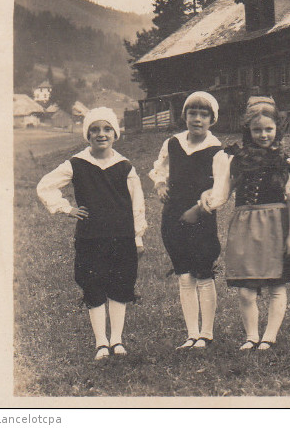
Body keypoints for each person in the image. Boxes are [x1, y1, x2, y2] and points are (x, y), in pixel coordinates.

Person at [191, 96, 290, 351]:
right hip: (245, 227)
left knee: (276, 284)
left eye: (268, 129)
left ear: (277, 128)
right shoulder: (237, 159)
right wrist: (205, 200)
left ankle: (270, 336)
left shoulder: (285, 162)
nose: (263, 134)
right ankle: (251, 335)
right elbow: (223, 193)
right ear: (248, 130)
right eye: (257, 130)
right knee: (246, 289)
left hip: (276, 226)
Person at [36, 107, 146, 360]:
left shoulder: (125, 166)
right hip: (90, 237)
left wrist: (138, 237)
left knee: (120, 285)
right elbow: (45, 186)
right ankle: (101, 342)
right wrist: (66, 208)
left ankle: (117, 340)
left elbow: (137, 204)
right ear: (87, 134)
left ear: (115, 134)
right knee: (93, 285)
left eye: (107, 129)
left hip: (122, 236)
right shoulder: (77, 163)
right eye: (94, 129)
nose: (101, 134)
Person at [149, 91, 224, 349]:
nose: (198, 119)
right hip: (173, 215)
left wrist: (201, 207)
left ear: (212, 120)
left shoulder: (216, 149)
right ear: (185, 116)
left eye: (204, 115)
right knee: (183, 274)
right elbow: (160, 167)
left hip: (200, 216)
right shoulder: (173, 143)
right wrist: (160, 184)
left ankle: (206, 333)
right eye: (193, 113)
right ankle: (191, 333)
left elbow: (221, 186)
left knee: (203, 273)